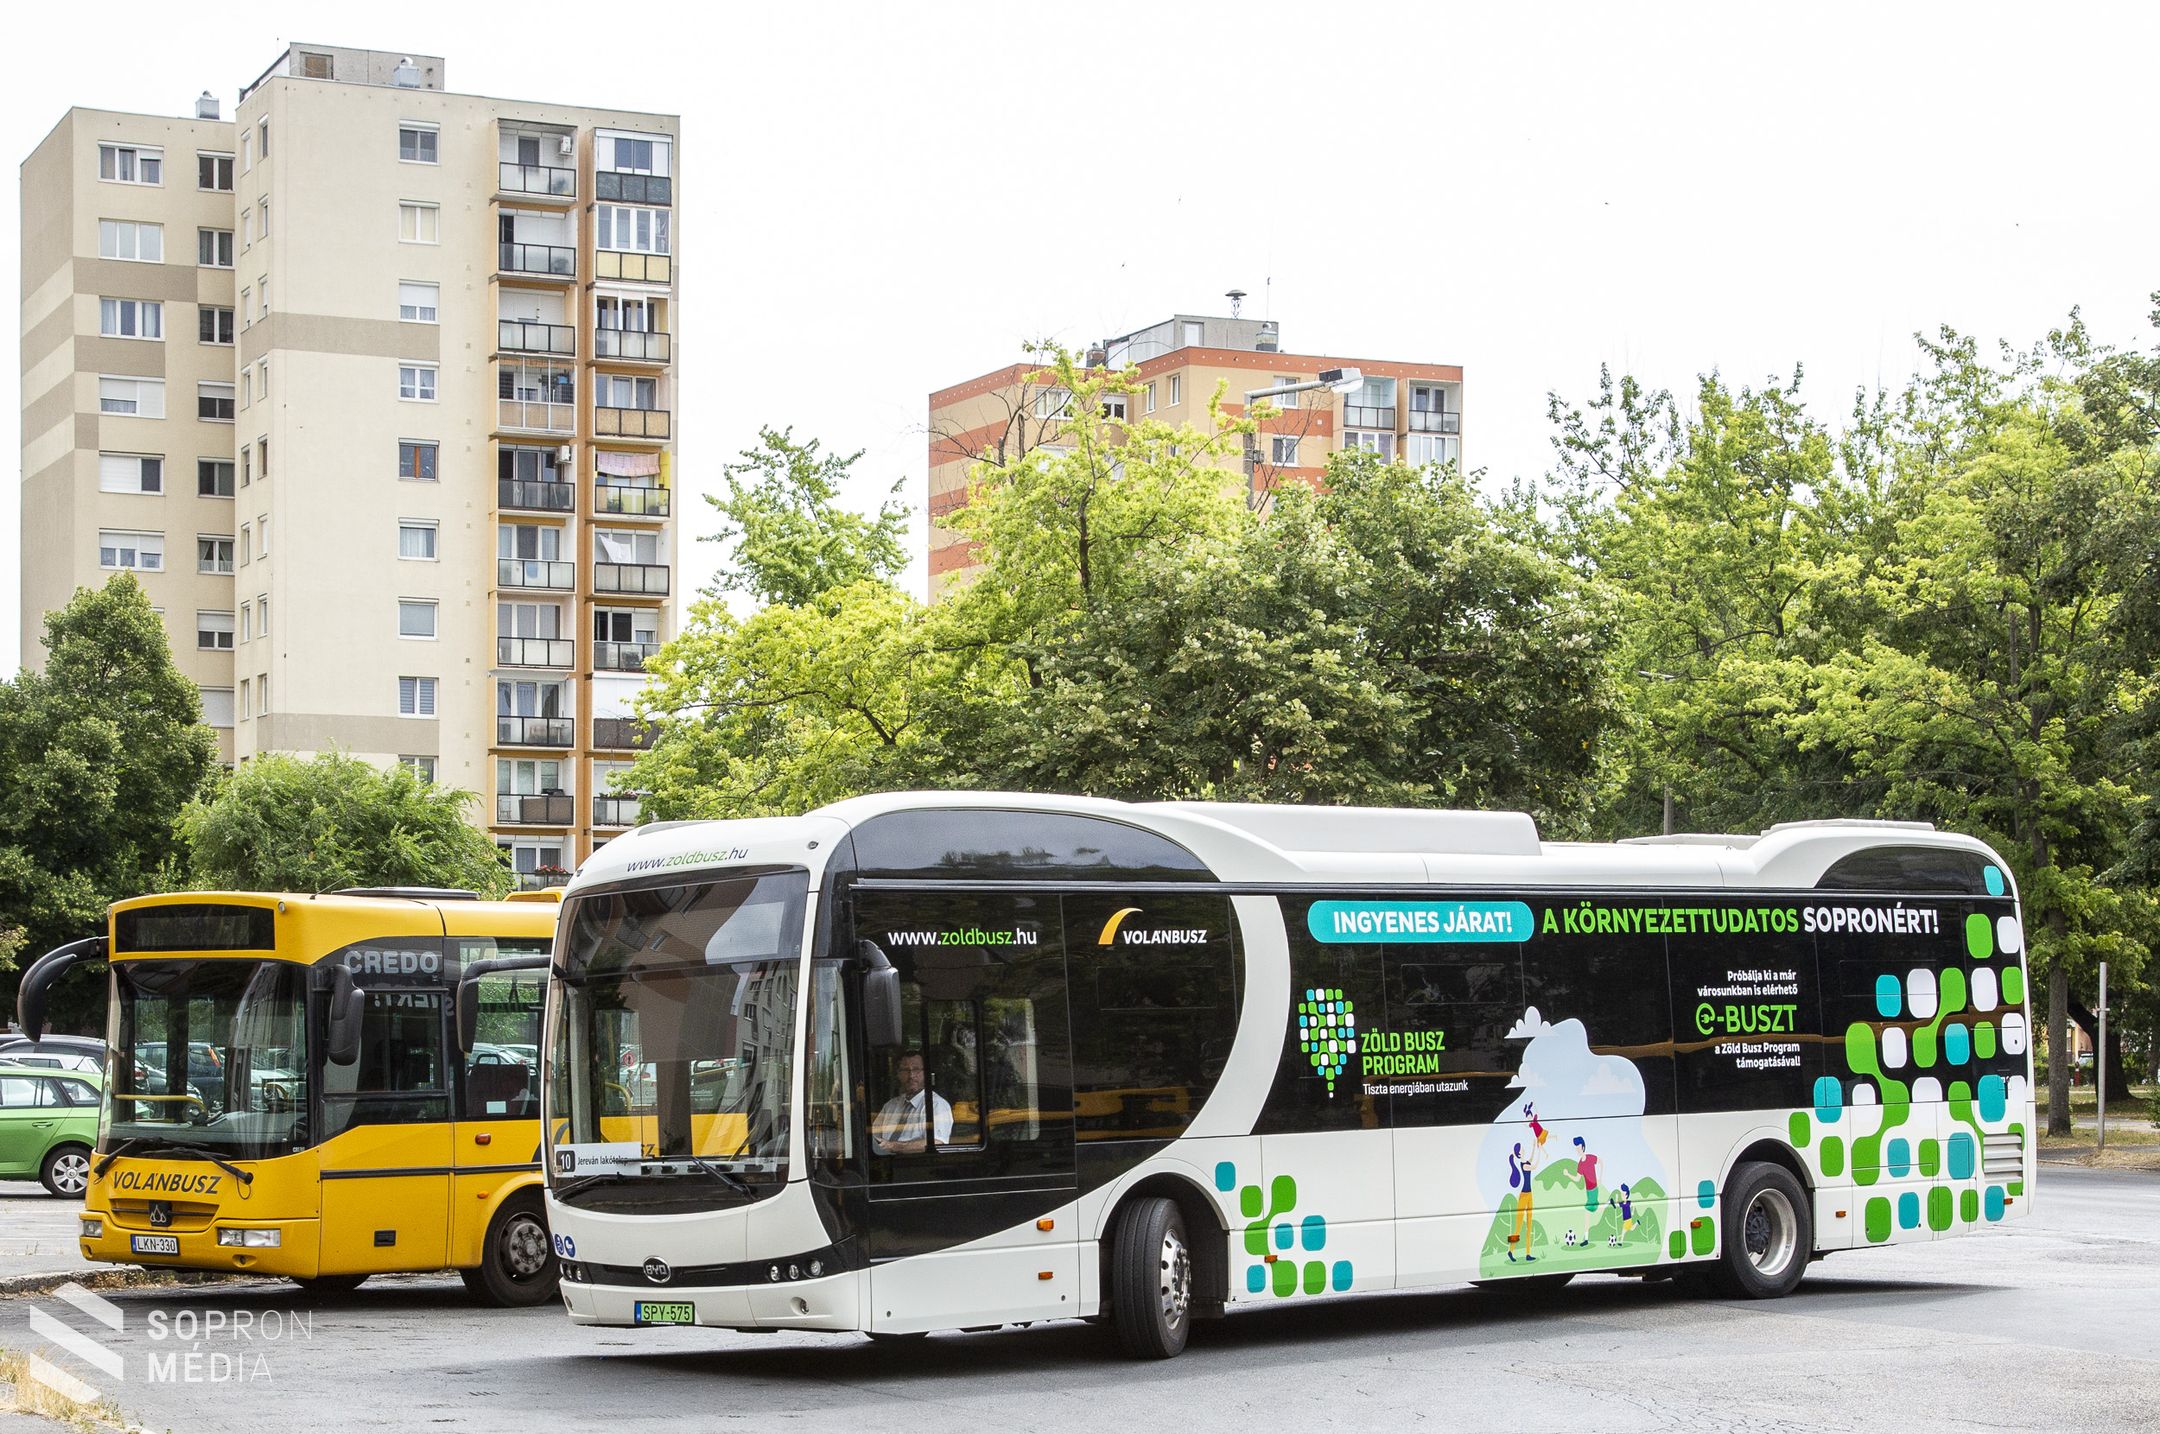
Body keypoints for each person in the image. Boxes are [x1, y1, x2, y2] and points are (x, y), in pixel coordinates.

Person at [871, 1049, 952, 1154]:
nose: (911, 1075)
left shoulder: (937, 1105)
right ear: (898, 1074)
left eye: (916, 1069)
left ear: (926, 1073)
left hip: (916, 1165)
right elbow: (873, 1137)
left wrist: (894, 1146)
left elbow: (937, 1143)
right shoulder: (890, 1105)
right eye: (905, 1070)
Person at [1573, 1135, 1601, 1213]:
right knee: (1592, 1210)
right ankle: (1609, 1203)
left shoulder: (1590, 1158)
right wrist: (1568, 1174)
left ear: (1583, 1147)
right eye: (1576, 1149)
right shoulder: (1580, 1164)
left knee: (1590, 1210)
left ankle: (1609, 1203)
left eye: (1579, 1148)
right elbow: (1577, 1178)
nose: (1577, 1150)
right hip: (1588, 1190)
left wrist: (1600, 1178)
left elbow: (1600, 1162)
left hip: (1593, 1189)